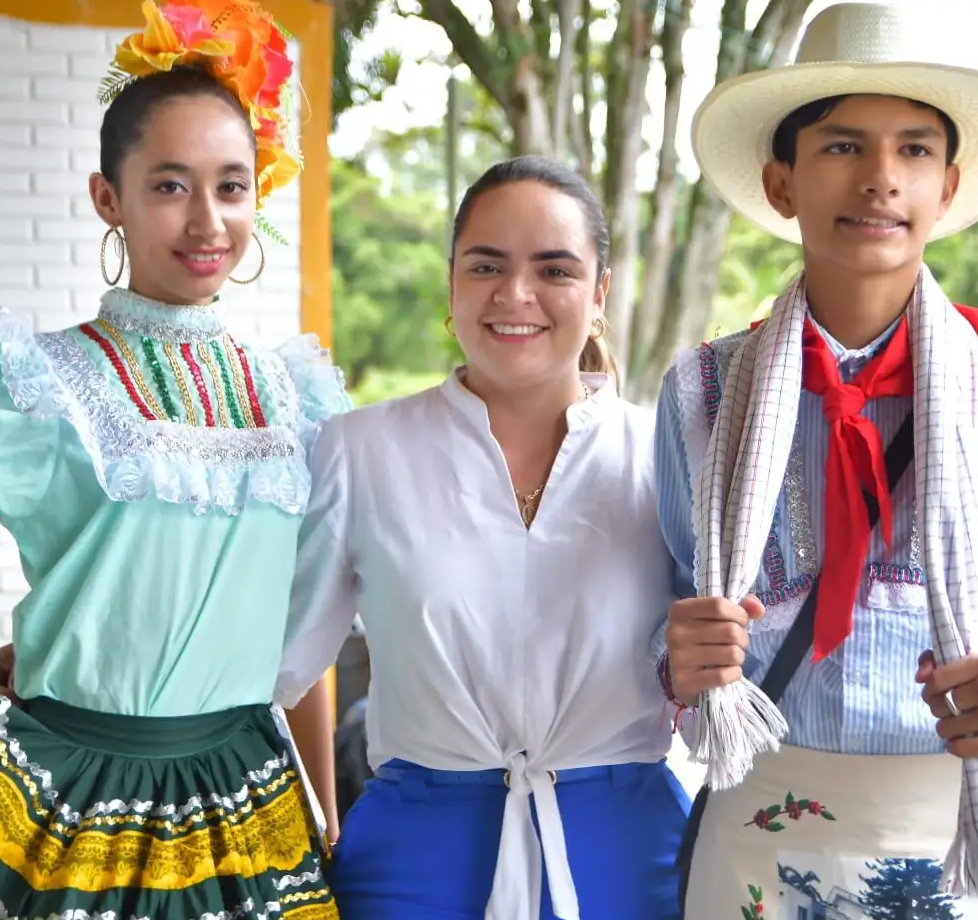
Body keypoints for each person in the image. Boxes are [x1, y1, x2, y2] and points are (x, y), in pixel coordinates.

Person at [0, 1, 345, 916]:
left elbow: (304, 626)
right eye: (169, 185)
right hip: (76, 799)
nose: (207, 220)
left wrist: (322, 801)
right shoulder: (35, 385)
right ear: (109, 198)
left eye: (231, 186)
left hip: (251, 804)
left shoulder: (300, 401)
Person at [652, 4, 978, 919]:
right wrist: (673, 656)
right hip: (759, 837)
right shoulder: (702, 392)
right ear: (780, 182)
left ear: (948, 186)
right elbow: (660, 613)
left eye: (914, 149)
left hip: (968, 836)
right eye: (842, 146)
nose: (881, 177)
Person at [274, 156, 692, 920]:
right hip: (412, 860)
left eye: (554, 269)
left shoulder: (664, 455)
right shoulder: (359, 450)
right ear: (452, 284)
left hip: (631, 857)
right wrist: (317, 821)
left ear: (598, 294)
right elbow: (283, 665)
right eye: (486, 265)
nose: (515, 293)